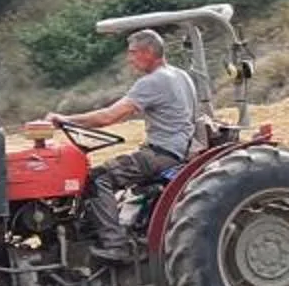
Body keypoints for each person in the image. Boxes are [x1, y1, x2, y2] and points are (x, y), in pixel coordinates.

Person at [51, 28, 200, 256]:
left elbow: (108, 117)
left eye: (133, 53)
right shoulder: (180, 75)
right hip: (178, 149)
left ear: (149, 52)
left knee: (97, 178)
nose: (129, 59)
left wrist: (65, 120)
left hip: (162, 155)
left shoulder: (153, 82)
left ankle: (114, 244)